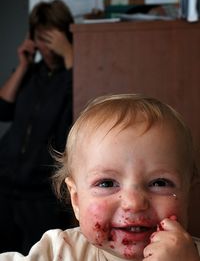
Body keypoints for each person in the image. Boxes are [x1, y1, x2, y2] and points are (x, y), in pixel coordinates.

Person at [1, 93, 200, 261]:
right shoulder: (59, 252)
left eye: (159, 183)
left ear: (188, 193)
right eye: (107, 183)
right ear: (76, 200)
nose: (134, 203)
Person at [0, 0, 77, 255]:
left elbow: (80, 112)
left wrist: (69, 55)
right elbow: (3, 109)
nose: (47, 48)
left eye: (51, 38)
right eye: (41, 39)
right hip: (6, 185)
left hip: (42, 194)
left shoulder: (75, 75)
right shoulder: (30, 73)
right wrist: (23, 64)